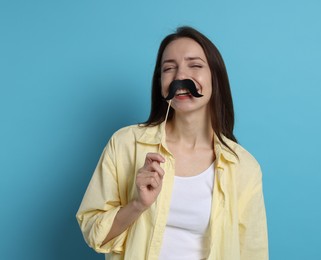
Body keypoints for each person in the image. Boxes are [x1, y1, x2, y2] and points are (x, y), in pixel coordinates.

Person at [76, 26, 268, 260]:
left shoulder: (243, 167)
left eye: (195, 65)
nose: (179, 77)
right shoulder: (125, 144)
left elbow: (252, 253)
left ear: (215, 77)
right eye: (169, 68)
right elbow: (93, 233)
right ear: (160, 83)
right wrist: (137, 205)